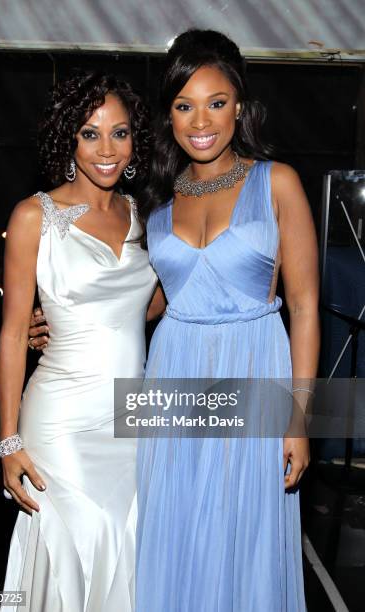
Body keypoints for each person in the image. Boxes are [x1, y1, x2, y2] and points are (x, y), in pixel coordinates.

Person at [134, 30, 319, 611]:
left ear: (240, 106)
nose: (200, 120)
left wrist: (300, 417)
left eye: (216, 102)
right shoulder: (158, 200)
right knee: (176, 524)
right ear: (169, 115)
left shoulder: (278, 182)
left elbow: (307, 306)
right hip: (173, 373)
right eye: (184, 105)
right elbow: (148, 301)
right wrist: (60, 318)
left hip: (254, 366)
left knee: (245, 533)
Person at [0, 72, 161, 612]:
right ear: (69, 138)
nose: (106, 150)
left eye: (120, 133)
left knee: (130, 546)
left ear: (136, 140)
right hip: (61, 421)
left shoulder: (142, 217)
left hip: (131, 420)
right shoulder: (32, 217)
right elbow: (15, 331)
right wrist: (7, 441)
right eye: (90, 134)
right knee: (76, 549)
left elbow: (148, 306)